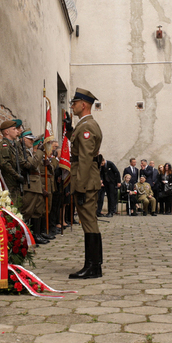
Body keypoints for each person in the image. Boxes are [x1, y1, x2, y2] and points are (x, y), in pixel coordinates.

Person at [64, 88, 103, 279]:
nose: (72, 106)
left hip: (85, 180)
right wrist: (71, 131)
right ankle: (94, 265)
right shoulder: (85, 125)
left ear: (83, 105)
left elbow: (86, 159)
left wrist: (79, 187)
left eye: (74, 103)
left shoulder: (87, 126)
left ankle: (92, 267)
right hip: (87, 178)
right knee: (90, 222)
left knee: (89, 223)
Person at [19, 131, 50, 244]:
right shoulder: (24, 152)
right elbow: (33, 165)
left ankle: (36, 235)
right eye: (30, 139)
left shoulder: (29, 152)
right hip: (30, 185)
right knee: (27, 212)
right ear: (23, 139)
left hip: (35, 185)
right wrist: (40, 151)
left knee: (37, 210)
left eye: (33, 140)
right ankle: (25, 237)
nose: (32, 142)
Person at [0, 120, 23, 207]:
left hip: (15, 184)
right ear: (7, 132)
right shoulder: (4, 146)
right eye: (14, 129)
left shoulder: (14, 145)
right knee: (12, 207)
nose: (17, 131)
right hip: (9, 184)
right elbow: (5, 164)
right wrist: (17, 176)